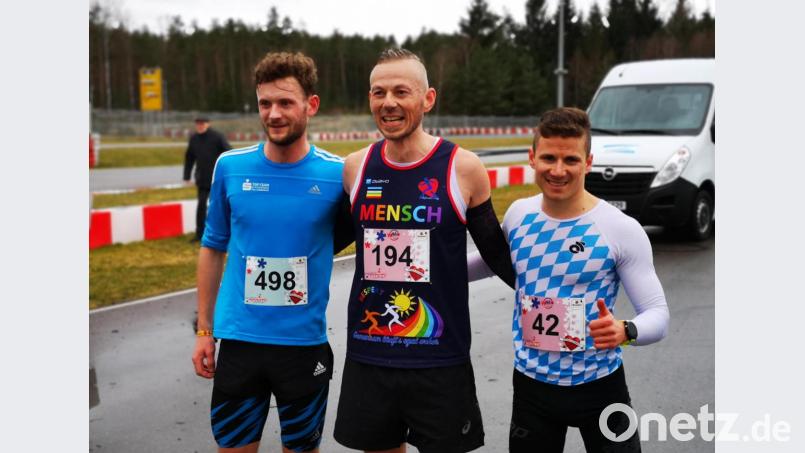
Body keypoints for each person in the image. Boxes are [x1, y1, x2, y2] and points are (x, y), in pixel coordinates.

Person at [333, 48, 515, 453]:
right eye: (378, 93)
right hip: (371, 351)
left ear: (428, 99)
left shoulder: (462, 167)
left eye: (401, 91)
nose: (389, 103)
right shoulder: (355, 168)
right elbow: (323, 244)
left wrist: (554, 296)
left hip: (439, 354)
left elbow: (498, 255)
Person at [468, 107, 670, 452]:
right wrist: (431, 271)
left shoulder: (619, 228)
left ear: (588, 162)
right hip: (533, 388)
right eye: (548, 158)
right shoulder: (519, 215)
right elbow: (490, 263)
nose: (558, 171)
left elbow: (657, 314)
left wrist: (626, 330)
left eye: (571, 160)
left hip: (600, 385)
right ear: (532, 158)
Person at [191, 51, 353, 453]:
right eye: (266, 103)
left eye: (285, 102)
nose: (274, 113)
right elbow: (212, 249)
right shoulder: (231, 166)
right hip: (241, 344)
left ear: (310, 105)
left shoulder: (339, 174)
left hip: (303, 346)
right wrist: (204, 331)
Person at [183, 116, 232, 241]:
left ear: (208, 124)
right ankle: (200, 234)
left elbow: (229, 153)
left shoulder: (217, 137)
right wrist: (186, 176)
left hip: (218, 179)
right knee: (201, 206)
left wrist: (230, 172)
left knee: (221, 206)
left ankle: (225, 233)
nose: (200, 125)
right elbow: (189, 158)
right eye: (198, 123)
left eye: (202, 123)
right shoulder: (194, 139)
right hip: (203, 180)